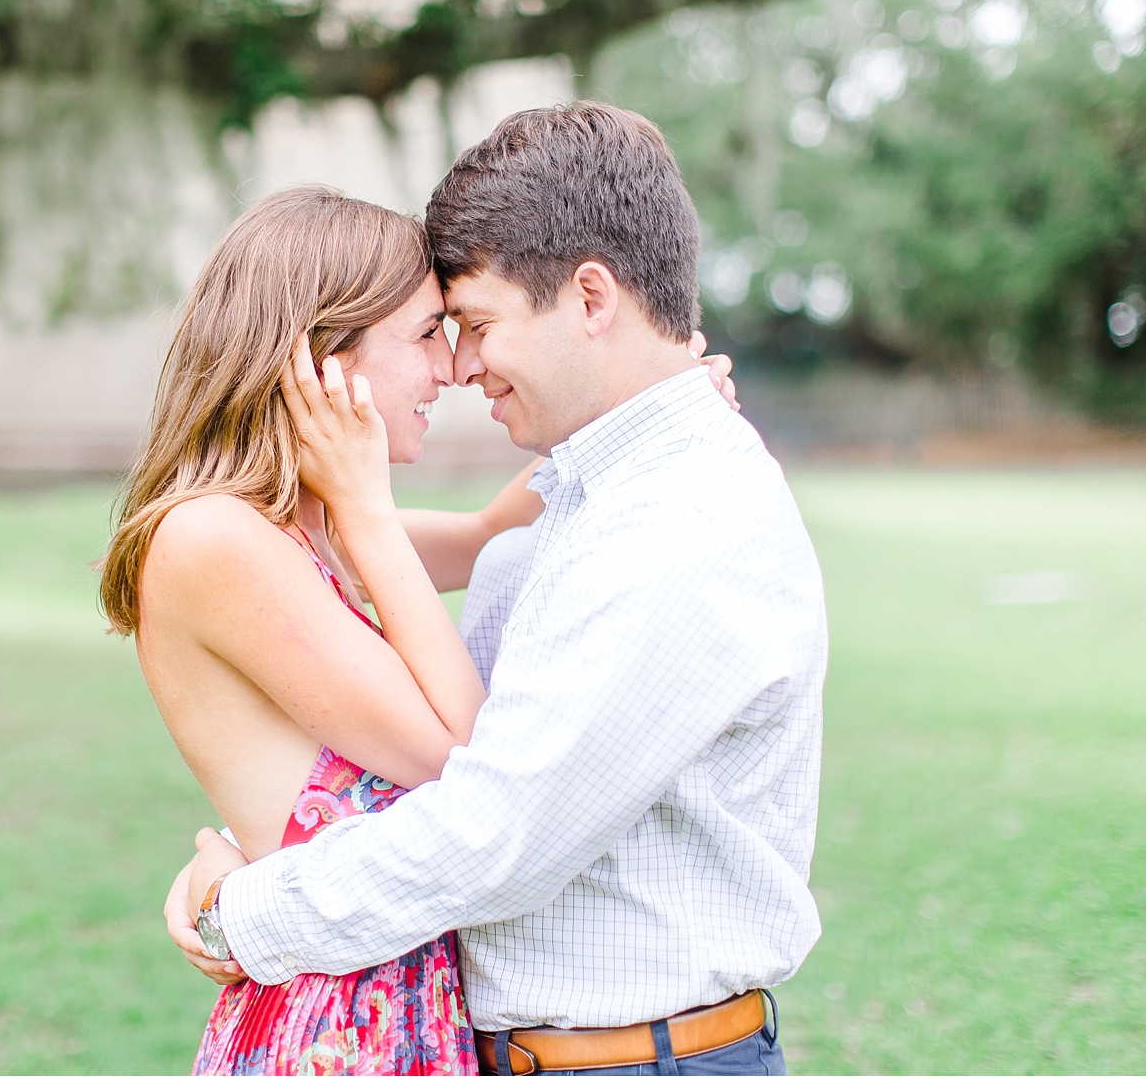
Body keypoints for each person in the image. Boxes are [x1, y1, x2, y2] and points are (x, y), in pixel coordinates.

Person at [168, 103, 828, 1076]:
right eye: (438, 332)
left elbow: (496, 828)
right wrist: (248, 831)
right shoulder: (580, 495)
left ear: (591, 298)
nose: (462, 365)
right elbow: (412, 731)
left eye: (474, 325)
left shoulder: (671, 521)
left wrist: (244, 908)